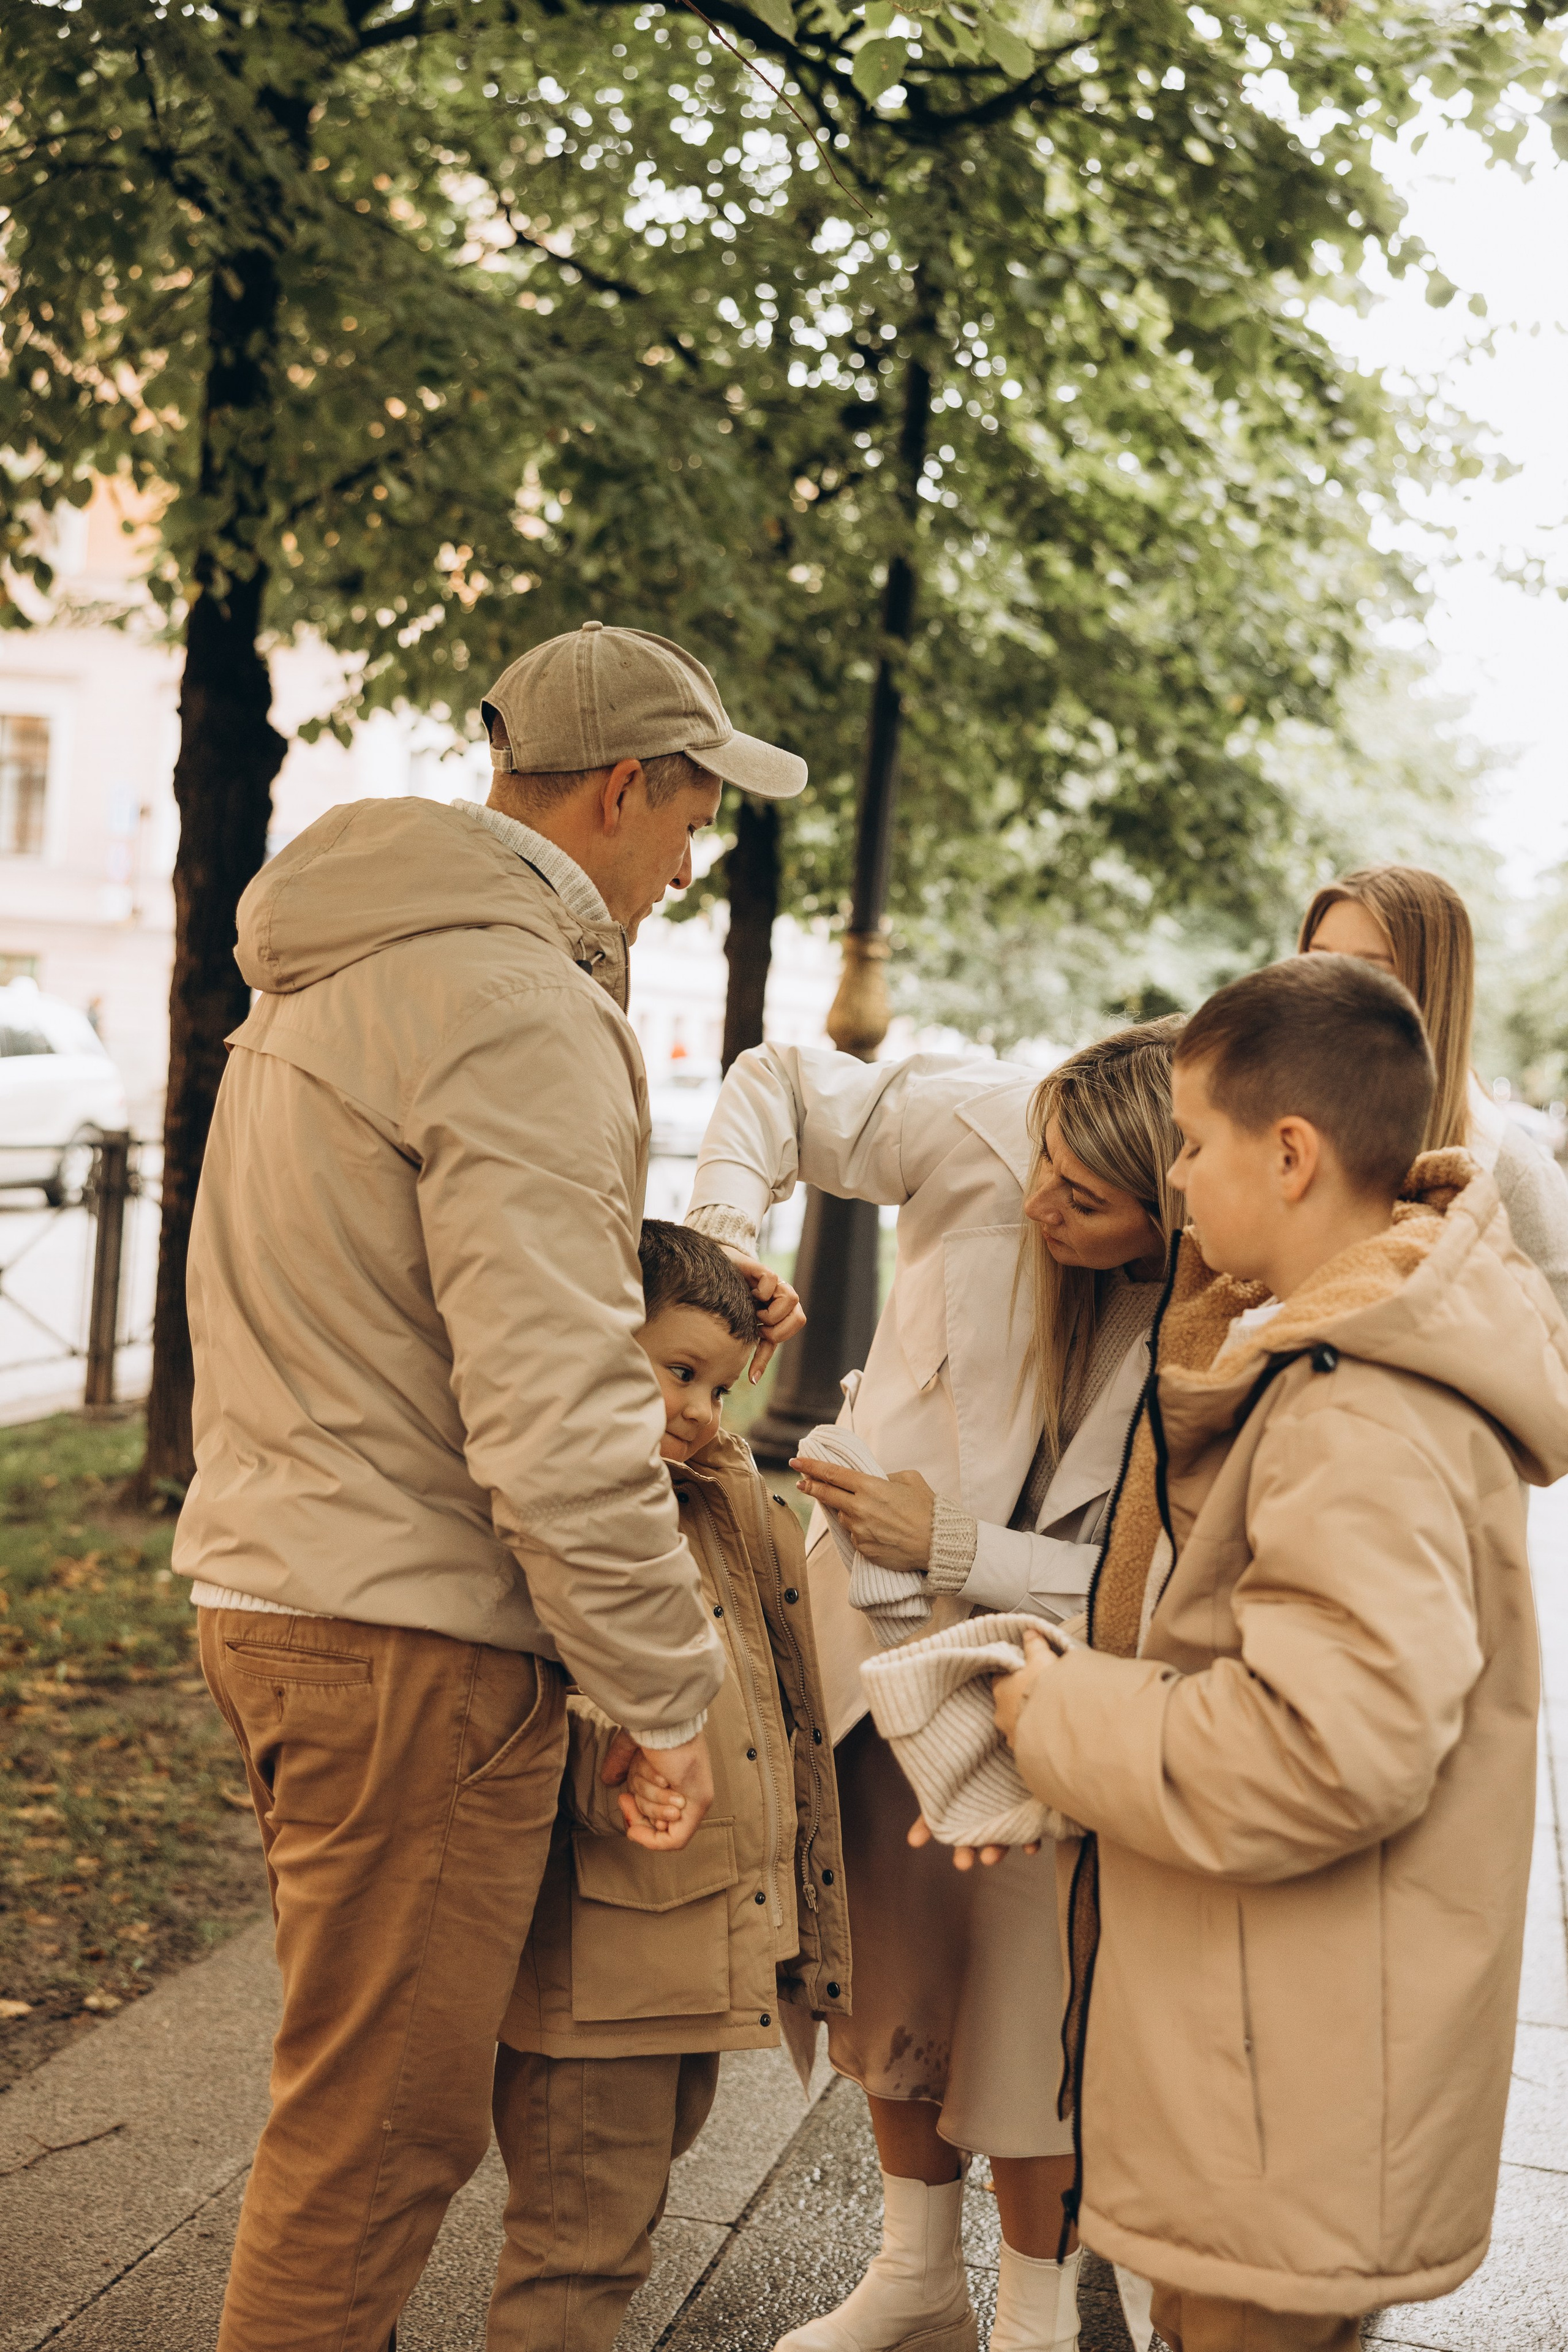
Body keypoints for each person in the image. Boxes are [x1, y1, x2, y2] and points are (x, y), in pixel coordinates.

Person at [176, 622, 807, 2352]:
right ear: (623, 787)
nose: (691, 866)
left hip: (292, 1589)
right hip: (408, 1637)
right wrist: (662, 1685)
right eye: (691, 822)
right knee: (376, 2148)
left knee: (360, 2123)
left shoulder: (336, 968)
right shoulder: (521, 1001)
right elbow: (551, 1406)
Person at [994, 953, 1568, 2352]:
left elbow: (1324, 1748)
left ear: (1291, 1153)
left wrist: (1058, 1715)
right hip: (1283, 2052)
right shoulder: (1349, 1367)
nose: (1176, 1180)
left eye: (1192, 1142)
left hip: (1282, 2082)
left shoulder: (1352, 1407)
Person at [687, 1021, 1183, 2352]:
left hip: (1054, 1689)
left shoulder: (1214, 1302)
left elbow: (1154, 1587)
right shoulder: (984, 1118)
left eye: (1081, 1201)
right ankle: (915, 2279)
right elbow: (776, 1084)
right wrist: (727, 1242)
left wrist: (952, 1547)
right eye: (1043, 1164)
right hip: (871, 1646)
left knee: (1030, 2012)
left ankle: (1033, 2315)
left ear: (1168, 1213)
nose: (1037, 1201)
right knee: (879, 1973)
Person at [489, 1221, 850, 2350]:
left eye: (725, 1387)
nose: (702, 1409)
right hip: (602, 1963)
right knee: (579, 2249)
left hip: (681, 1946)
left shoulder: (704, 1496)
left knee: (621, 2222)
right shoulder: (581, 1521)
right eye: (675, 1371)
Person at [1300, 861, 1568, 1313]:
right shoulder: (1288, 1122)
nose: (1328, 992)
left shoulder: (1508, 1171)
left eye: (1369, 972)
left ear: (1432, 988)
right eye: (1318, 961)